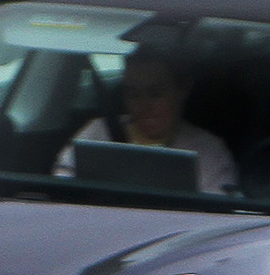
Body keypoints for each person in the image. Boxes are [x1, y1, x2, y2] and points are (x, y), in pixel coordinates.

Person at [55, 48, 236, 193]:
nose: (143, 106)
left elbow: (215, 212)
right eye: (133, 95)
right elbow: (63, 182)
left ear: (182, 90)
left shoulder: (208, 152)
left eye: (155, 94)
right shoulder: (98, 132)